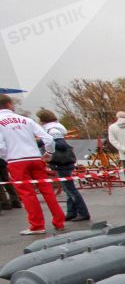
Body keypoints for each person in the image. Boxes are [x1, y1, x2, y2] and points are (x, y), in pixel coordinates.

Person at [0, 95, 66, 235]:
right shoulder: (26, 120)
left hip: (16, 160)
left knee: (27, 194)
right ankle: (59, 221)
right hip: (35, 158)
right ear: (9, 104)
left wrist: (7, 157)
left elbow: (0, 146)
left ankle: (37, 225)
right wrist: (49, 153)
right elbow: (49, 139)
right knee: (47, 190)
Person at [38, 109, 89, 222]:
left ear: (42, 120)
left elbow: (62, 145)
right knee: (67, 189)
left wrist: (46, 142)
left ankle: (83, 213)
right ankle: (71, 212)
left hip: (61, 162)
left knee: (70, 189)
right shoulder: (56, 129)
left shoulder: (52, 131)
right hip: (64, 162)